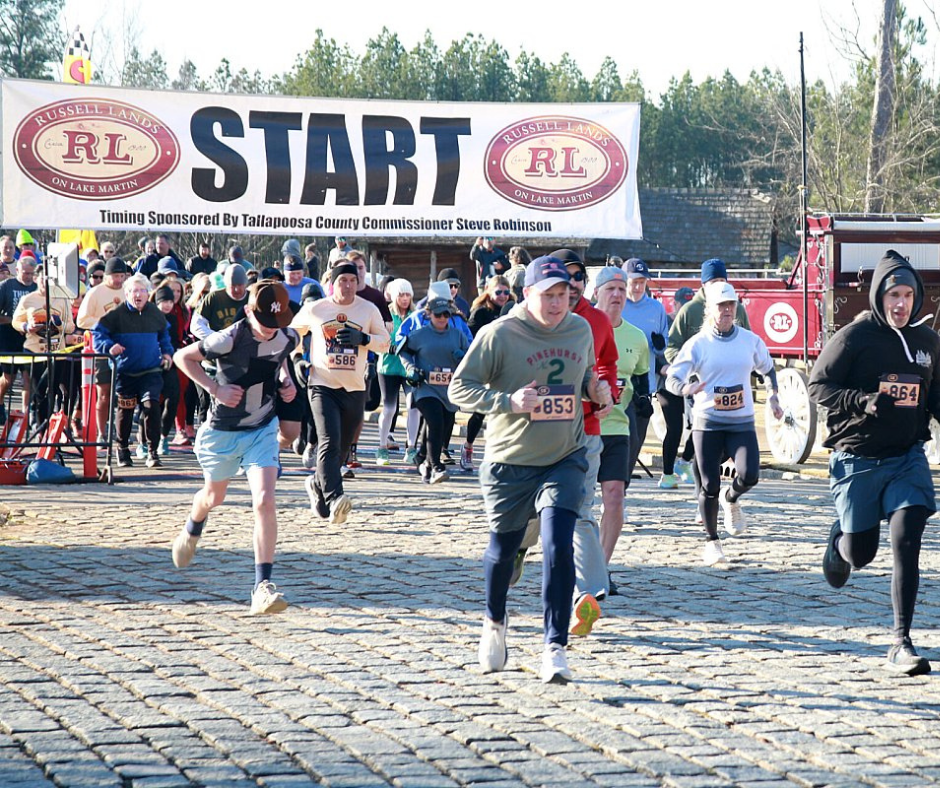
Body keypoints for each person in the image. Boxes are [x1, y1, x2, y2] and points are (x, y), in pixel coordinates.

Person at [449, 256, 612, 684]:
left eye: (563, 295)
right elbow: (459, 388)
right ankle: (494, 621)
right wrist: (508, 401)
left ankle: (554, 646)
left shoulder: (580, 329)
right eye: (548, 296)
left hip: (565, 456)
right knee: (503, 552)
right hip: (510, 460)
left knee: (559, 542)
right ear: (527, 294)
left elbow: (585, 378)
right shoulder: (499, 334)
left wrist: (597, 390)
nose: (557, 303)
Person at [808, 250, 940, 676]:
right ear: (879, 297)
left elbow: (935, 396)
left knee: (908, 537)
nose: (900, 304)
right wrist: (861, 401)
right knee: (861, 554)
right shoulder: (855, 336)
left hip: (907, 459)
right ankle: (839, 541)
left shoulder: (927, 342)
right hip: (858, 459)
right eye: (893, 295)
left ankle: (901, 642)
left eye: (908, 296)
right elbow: (818, 385)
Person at [172, 281, 299, 615]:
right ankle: (193, 525)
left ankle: (262, 587)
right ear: (248, 311)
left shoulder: (287, 336)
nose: (270, 329)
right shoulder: (229, 338)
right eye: (264, 321)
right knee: (214, 497)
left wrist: (286, 383)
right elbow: (183, 357)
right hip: (223, 432)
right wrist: (215, 389)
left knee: (264, 500)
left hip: (262, 428)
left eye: (276, 322)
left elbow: (281, 358)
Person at [666, 281, 782, 566]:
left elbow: (768, 369)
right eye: (721, 306)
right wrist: (686, 388)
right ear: (710, 309)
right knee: (709, 485)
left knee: (750, 474)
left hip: (741, 422)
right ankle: (712, 542)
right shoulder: (698, 344)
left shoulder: (749, 341)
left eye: (731, 305)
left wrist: (773, 396)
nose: (727, 310)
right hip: (708, 424)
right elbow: (672, 378)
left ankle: (731, 499)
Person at [291, 262, 390, 524]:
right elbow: (291, 334)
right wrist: (298, 359)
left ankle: (317, 483)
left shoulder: (368, 309)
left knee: (343, 448)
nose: (347, 285)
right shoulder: (316, 308)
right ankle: (336, 498)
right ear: (332, 284)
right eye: (342, 280)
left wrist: (364, 339)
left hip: (354, 387)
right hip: (322, 383)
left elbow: (385, 343)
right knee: (329, 441)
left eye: (352, 280)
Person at [552, 248, 618, 636]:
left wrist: (606, 389)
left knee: (580, 507)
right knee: (530, 511)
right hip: (538, 433)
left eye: (579, 277)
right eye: (566, 276)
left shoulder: (597, 320)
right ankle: (516, 549)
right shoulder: (528, 321)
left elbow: (607, 363)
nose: (574, 283)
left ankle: (588, 594)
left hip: (586, 429)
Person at [662, 258, 751, 490]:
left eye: (722, 280)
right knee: (704, 431)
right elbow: (671, 347)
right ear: (703, 284)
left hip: (732, 387)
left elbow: (749, 342)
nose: (718, 285)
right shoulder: (689, 310)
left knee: (725, 439)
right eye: (713, 281)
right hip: (700, 386)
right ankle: (704, 489)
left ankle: (704, 474)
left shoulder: (738, 309)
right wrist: (689, 367)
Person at [592, 267, 649, 591]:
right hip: (582, 429)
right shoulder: (581, 328)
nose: (617, 295)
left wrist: (643, 398)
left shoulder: (636, 337)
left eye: (622, 290)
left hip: (618, 427)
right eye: (610, 289)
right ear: (596, 293)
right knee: (576, 503)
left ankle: (600, 569)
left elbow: (639, 376)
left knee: (614, 497)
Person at [91, 274, 174, 469]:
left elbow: (164, 335)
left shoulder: (154, 312)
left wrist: (167, 353)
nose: (139, 295)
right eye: (134, 291)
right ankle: (122, 449)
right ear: (127, 293)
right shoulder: (116, 314)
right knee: (126, 411)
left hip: (150, 370)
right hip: (125, 371)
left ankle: (152, 452)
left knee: (151, 405)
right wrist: (109, 347)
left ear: (148, 293)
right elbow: (97, 333)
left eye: (142, 291)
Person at [399, 296, 469, 483]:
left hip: (449, 390)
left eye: (446, 314)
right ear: (429, 314)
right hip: (425, 388)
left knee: (443, 425)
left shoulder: (457, 335)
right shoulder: (420, 335)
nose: (442, 318)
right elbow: (403, 350)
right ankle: (437, 466)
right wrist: (410, 368)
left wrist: (462, 357)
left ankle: (422, 457)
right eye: (438, 315)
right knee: (435, 421)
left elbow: (471, 356)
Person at [11, 264, 80, 426]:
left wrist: (59, 324)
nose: (46, 283)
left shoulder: (62, 299)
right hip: (34, 349)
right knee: (39, 390)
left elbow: (70, 327)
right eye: (43, 279)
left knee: (52, 390)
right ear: (36, 279)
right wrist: (26, 327)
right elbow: (16, 321)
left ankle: (48, 427)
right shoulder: (28, 299)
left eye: (50, 280)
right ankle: (39, 423)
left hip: (57, 351)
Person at [619, 258, 669, 480]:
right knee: (621, 439)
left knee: (636, 442)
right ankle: (613, 484)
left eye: (642, 281)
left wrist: (660, 345)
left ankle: (622, 486)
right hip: (618, 384)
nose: (638, 286)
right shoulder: (617, 304)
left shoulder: (656, 308)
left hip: (643, 386)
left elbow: (663, 346)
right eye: (634, 282)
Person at [461, 275, 515, 471]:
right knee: (481, 410)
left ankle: (505, 453)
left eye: (506, 292)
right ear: (489, 292)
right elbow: (470, 339)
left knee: (509, 409)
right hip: (487, 364)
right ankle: (468, 446)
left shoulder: (514, 310)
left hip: (509, 365)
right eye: (498, 292)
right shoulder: (481, 313)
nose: (502, 296)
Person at [76, 256, 130, 444]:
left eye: (122, 276)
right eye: (115, 276)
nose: (119, 280)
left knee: (124, 393)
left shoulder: (128, 290)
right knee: (104, 393)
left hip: (125, 348)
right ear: (107, 275)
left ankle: (122, 432)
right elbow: (81, 320)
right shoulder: (95, 293)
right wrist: (104, 323)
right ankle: (101, 432)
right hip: (102, 349)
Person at [376, 278, 418, 466]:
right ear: (394, 296)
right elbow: (378, 339)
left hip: (409, 367)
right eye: (401, 295)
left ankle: (411, 447)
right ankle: (382, 447)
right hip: (389, 366)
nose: (405, 299)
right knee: (389, 408)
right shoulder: (386, 315)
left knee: (413, 406)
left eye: (408, 295)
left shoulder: (415, 316)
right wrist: (389, 347)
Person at [0, 256, 37, 422]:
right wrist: (16, 321)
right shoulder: (6, 286)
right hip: (8, 335)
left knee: (28, 377)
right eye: (25, 273)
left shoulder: (36, 288)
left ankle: (25, 415)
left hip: (30, 337)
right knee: (9, 378)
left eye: (31, 273)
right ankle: (0, 402)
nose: (28, 277)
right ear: (17, 271)